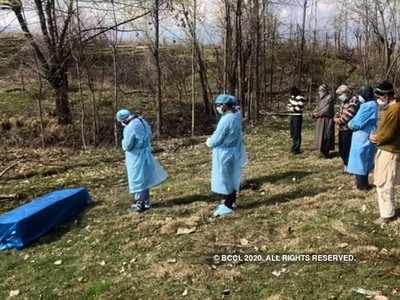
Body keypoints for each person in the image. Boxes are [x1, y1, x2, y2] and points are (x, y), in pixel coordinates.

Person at [116, 109, 168, 212]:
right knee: (144, 178)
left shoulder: (130, 127)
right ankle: (146, 201)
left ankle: (140, 203)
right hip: (145, 152)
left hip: (135, 156)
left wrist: (122, 142)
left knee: (137, 178)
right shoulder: (142, 121)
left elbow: (127, 145)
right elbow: (149, 134)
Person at [207, 94, 243, 217]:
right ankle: (231, 202)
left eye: (219, 105)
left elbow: (217, 138)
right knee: (231, 177)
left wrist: (209, 141)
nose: (217, 107)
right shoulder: (236, 115)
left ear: (225, 106)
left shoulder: (227, 119)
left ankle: (228, 205)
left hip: (224, 152)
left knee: (225, 178)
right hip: (233, 150)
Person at [370, 81, 400, 225]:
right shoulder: (392, 108)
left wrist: (375, 138)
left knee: (384, 183)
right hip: (388, 150)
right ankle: (388, 211)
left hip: (389, 151)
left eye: (381, 95)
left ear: (388, 95)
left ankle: (387, 215)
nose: (379, 98)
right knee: (385, 181)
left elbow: (388, 133)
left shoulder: (394, 110)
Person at [347, 86, 378, 191]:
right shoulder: (369, 104)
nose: (359, 97)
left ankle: (362, 186)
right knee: (361, 160)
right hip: (363, 135)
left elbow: (357, 122)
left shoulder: (368, 106)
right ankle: (361, 184)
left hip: (363, 136)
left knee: (361, 160)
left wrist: (350, 124)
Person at [334, 85, 360, 171]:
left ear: (346, 93)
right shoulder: (344, 101)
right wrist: (336, 117)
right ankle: (346, 165)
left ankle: (350, 167)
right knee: (342, 149)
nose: (339, 97)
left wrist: (337, 120)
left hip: (349, 129)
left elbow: (348, 116)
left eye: (340, 94)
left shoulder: (354, 100)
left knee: (347, 149)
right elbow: (338, 112)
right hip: (342, 129)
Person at [313, 84, 335, 158]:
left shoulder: (329, 98)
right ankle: (321, 151)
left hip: (327, 120)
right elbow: (317, 107)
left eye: (321, 90)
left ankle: (326, 153)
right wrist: (314, 113)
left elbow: (327, 109)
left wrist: (318, 113)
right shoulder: (320, 98)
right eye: (319, 90)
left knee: (326, 135)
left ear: (325, 91)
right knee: (320, 136)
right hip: (320, 119)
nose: (320, 92)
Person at [287, 86, 305, 154]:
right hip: (292, 116)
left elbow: (298, 108)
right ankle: (293, 146)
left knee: (297, 132)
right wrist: (291, 108)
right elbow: (288, 106)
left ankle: (296, 148)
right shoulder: (292, 97)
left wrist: (292, 109)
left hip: (297, 117)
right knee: (293, 132)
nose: (291, 94)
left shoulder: (301, 97)